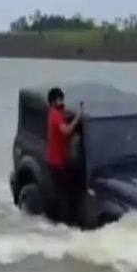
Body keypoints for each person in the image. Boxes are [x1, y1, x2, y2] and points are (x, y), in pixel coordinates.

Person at [47, 87, 83, 224]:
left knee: (63, 194)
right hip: (57, 162)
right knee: (64, 195)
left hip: (61, 160)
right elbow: (66, 130)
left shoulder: (58, 112)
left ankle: (61, 221)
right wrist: (78, 118)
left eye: (61, 99)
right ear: (53, 102)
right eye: (58, 99)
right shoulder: (55, 115)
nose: (61, 101)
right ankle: (64, 223)